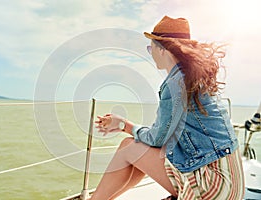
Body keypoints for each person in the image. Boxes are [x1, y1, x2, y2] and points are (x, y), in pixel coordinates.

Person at [90, 16, 244, 200]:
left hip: (216, 187)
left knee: (128, 147)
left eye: (151, 48)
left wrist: (123, 125)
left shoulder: (176, 84)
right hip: (231, 182)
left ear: (162, 49)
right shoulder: (194, 78)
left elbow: (157, 139)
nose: (151, 53)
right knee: (138, 150)